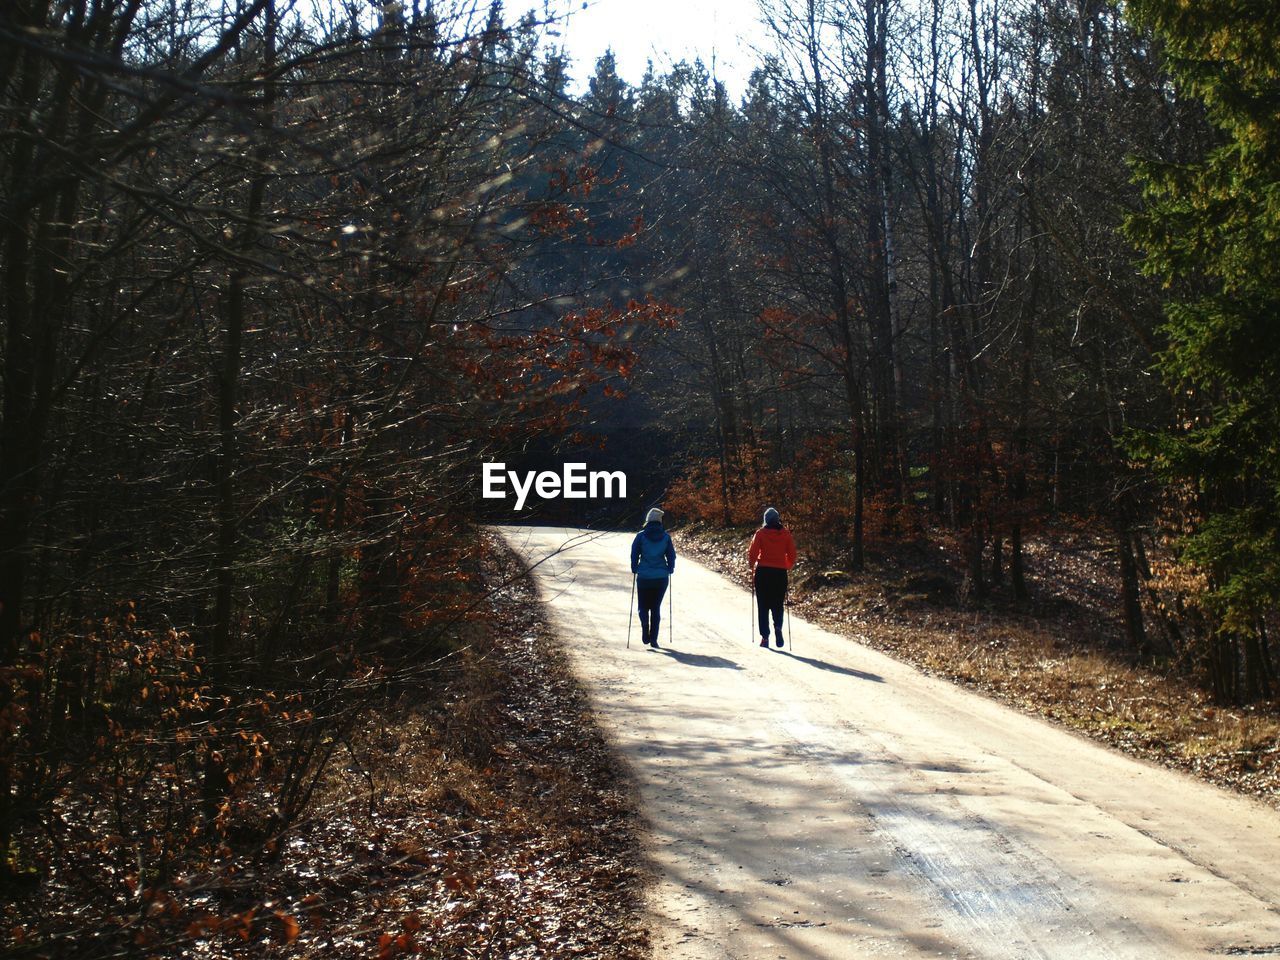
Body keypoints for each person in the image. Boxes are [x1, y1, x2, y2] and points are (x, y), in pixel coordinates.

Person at [749, 506, 796, 648]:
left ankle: (765, 637)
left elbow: (752, 552)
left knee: (763, 605)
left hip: (763, 572)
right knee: (777, 604)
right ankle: (778, 627)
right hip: (779, 574)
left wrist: (752, 566)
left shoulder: (760, 534)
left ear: (766, 520)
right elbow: (792, 555)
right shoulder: (786, 534)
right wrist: (785, 565)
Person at [630, 507, 676, 648]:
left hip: (644, 576)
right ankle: (654, 639)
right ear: (659, 522)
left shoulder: (641, 536)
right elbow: (671, 555)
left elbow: (634, 554)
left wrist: (635, 567)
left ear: (648, 521)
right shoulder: (666, 537)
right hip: (661, 577)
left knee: (643, 606)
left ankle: (645, 625)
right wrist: (670, 568)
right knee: (655, 607)